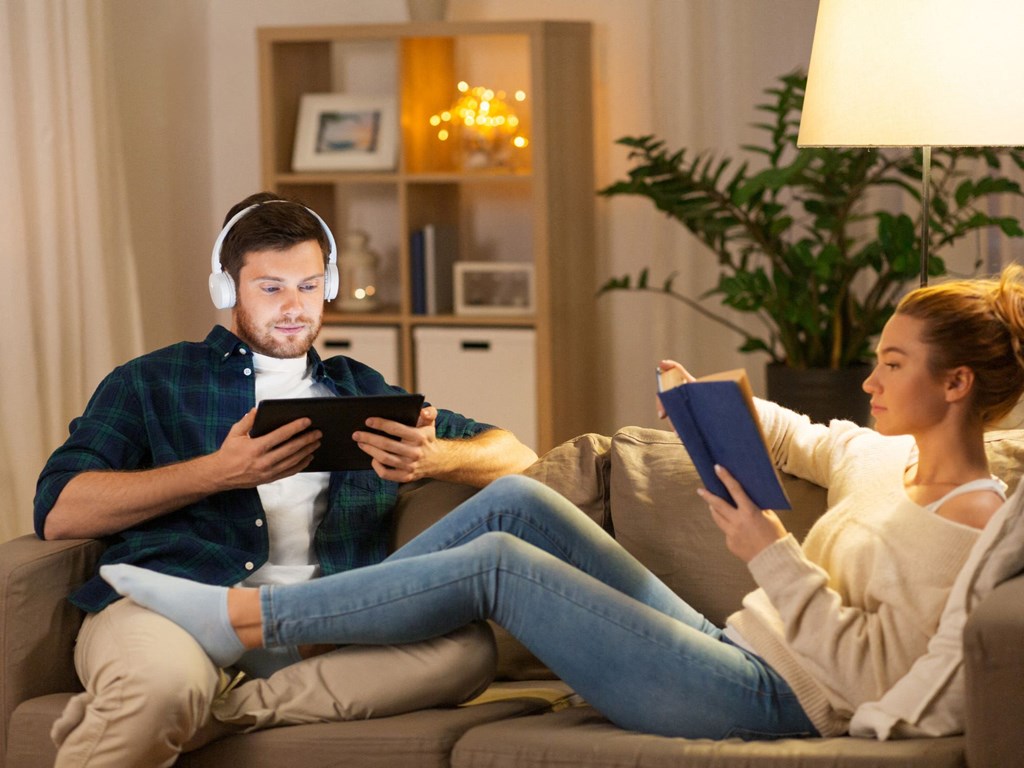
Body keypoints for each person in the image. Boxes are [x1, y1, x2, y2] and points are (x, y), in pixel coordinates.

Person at [101, 266, 1024, 741]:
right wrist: (705, 400)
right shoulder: (880, 457)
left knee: (503, 568)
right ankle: (311, 628)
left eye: (893, 364)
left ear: (957, 385)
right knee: (519, 504)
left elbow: (871, 677)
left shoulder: (972, 524)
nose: (869, 380)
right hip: (740, 646)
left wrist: (769, 551)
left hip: (779, 700)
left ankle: (246, 620)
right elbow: (796, 435)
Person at [34, 191, 538, 767]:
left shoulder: (360, 389)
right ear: (227, 290)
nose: (294, 307)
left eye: (308, 285)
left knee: (467, 651)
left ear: (329, 285)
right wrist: (217, 473)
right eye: (271, 288)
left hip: (319, 625)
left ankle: (218, 713)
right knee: (161, 690)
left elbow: (517, 456)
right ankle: (181, 701)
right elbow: (59, 510)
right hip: (170, 605)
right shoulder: (153, 381)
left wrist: (435, 458)